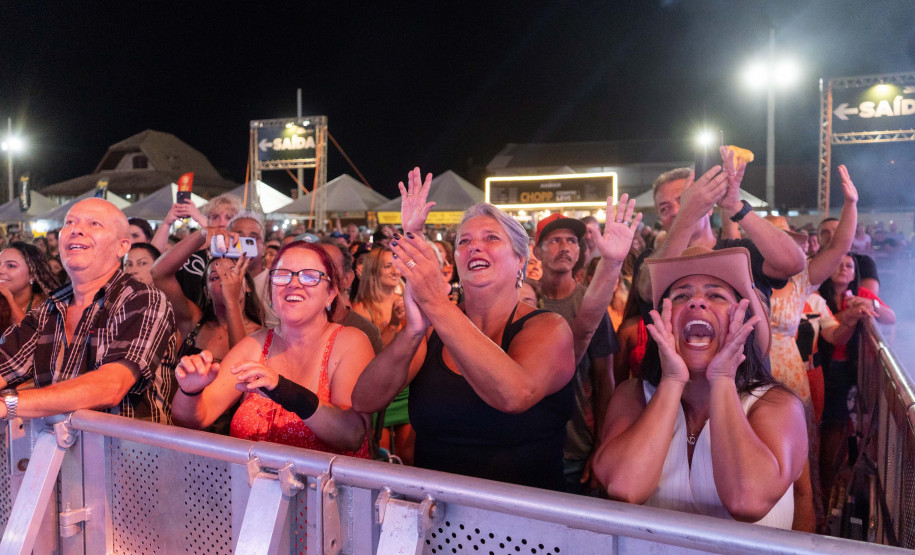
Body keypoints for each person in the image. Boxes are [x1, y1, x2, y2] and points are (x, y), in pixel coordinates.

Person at [353, 167, 637, 489]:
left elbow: (513, 395)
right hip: (437, 521)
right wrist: (413, 332)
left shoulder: (548, 328)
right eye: (464, 241)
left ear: (520, 260)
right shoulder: (432, 331)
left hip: (520, 526)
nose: (475, 247)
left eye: (491, 238)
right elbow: (365, 400)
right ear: (457, 261)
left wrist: (436, 303)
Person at [595, 246, 807, 529]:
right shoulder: (632, 395)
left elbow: (747, 501)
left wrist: (721, 377)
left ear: (740, 321)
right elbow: (624, 488)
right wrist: (671, 380)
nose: (696, 303)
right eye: (681, 295)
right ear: (663, 322)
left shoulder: (778, 404)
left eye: (715, 295)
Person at [171, 241, 374, 456]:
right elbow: (193, 419)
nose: (293, 283)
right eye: (282, 275)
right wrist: (190, 390)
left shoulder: (350, 342)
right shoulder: (254, 346)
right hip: (252, 486)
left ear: (331, 293)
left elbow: (351, 435)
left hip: (323, 488)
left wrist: (284, 390)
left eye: (309, 276)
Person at [0, 198, 178, 422]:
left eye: (94, 224)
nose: (76, 230)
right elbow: (5, 363)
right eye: (69, 223)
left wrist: (10, 403)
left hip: (128, 454)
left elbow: (111, 386)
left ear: (122, 246)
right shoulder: (49, 309)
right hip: (59, 453)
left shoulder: (143, 299)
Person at [532, 199, 639, 495]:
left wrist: (601, 446)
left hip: (576, 448)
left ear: (580, 250)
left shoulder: (590, 303)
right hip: (526, 442)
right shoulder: (523, 300)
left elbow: (605, 380)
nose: (564, 247)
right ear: (536, 250)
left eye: (571, 240)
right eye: (554, 240)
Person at [636, 148, 806, 319]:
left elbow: (794, 264)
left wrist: (735, 206)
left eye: (684, 200)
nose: (674, 211)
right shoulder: (651, 259)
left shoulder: (740, 253)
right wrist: (686, 215)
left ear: (709, 207)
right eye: (664, 208)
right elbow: (649, 291)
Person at [817, 252, 895, 508]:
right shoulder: (816, 294)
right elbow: (822, 324)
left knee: (841, 429)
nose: (842, 268)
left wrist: (868, 305)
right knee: (823, 429)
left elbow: (890, 317)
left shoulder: (860, 293)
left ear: (854, 273)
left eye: (848, 265)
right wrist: (848, 315)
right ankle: (822, 490)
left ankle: (829, 495)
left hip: (849, 371)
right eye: (837, 263)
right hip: (822, 369)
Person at [352, 246, 410, 461]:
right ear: (374, 271)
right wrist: (394, 325)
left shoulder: (409, 300)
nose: (396, 271)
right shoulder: (360, 309)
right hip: (379, 390)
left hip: (407, 387)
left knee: (409, 455)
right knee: (382, 457)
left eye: (397, 265)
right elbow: (373, 355)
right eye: (388, 266)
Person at [0, 242, 60, 333]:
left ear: (32, 275)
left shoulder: (47, 307)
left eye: (11, 266)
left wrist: (10, 299)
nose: (1, 270)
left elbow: (28, 337)